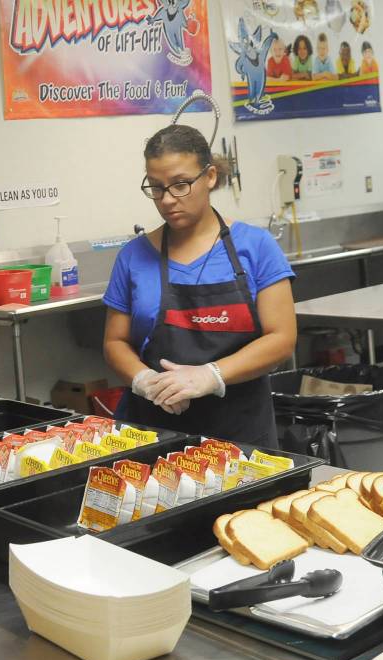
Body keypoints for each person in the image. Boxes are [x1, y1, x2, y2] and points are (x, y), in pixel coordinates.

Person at [102, 125, 297, 447]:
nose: (167, 200)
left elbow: (281, 339)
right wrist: (144, 379)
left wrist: (210, 375)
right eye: (156, 187)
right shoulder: (134, 257)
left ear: (210, 176)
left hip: (241, 434)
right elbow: (115, 342)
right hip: (154, 432)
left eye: (180, 185)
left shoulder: (256, 247)